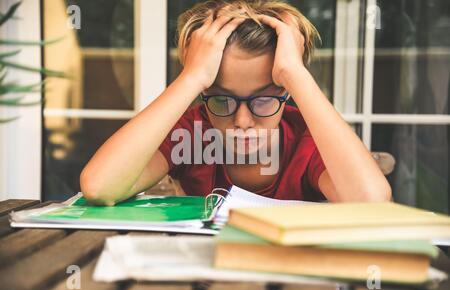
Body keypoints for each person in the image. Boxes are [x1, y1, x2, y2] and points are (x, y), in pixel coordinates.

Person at [80, 0, 391, 206]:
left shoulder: (308, 139)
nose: (242, 121)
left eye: (265, 99)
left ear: (287, 92)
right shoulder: (192, 130)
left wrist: (296, 73)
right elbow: (99, 186)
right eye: (221, 99)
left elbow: (371, 203)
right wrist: (193, 78)